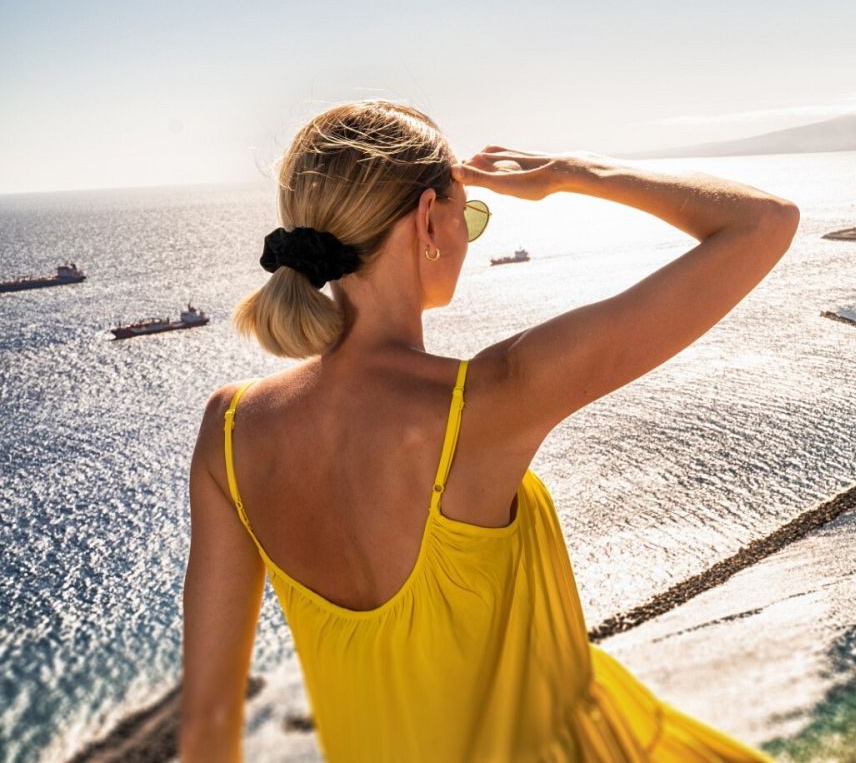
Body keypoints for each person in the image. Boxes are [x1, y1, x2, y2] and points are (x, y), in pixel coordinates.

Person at [179, 99, 796, 761]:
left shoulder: (231, 428)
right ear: (427, 218)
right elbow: (763, 222)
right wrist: (570, 171)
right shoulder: (489, 400)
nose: (469, 236)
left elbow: (209, 729)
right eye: (469, 213)